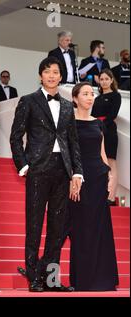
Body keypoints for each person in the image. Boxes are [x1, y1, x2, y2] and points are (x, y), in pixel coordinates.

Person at [10, 56, 83, 292]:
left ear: (61, 76)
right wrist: (23, 165)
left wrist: (77, 173)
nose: (52, 75)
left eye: (56, 72)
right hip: (37, 169)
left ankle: (51, 279)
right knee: (34, 225)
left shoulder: (66, 106)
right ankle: (33, 277)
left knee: (57, 228)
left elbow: (73, 142)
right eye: (47, 71)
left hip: (62, 170)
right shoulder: (28, 101)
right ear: (40, 75)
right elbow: (15, 137)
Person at [67, 82, 119, 291]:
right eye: (86, 94)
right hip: (79, 180)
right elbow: (67, 153)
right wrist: (71, 177)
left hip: (98, 178)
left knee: (100, 228)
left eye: (92, 94)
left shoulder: (98, 123)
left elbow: (103, 154)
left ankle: (103, 281)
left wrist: (110, 176)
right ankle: (83, 280)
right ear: (75, 98)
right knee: (80, 229)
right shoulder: (68, 122)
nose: (90, 97)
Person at [91, 69, 122, 205]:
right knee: (99, 164)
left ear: (111, 80)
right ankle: (100, 195)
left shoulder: (116, 96)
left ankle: (111, 197)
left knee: (111, 163)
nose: (104, 81)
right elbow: (92, 115)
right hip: (96, 132)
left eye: (106, 79)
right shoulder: (96, 99)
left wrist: (101, 126)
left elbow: (113, 114)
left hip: (108, 132)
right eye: (101, 79)